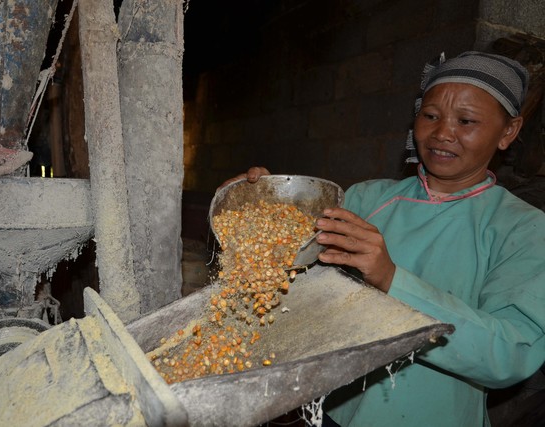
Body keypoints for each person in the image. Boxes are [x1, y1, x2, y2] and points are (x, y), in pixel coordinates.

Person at [222, 51, 545, 426]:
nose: (442, 133)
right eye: (431, 116)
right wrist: (256, 212)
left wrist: (392, 279)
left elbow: (511, 356)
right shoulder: (366, 199)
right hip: (334, 411)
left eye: (466, 121)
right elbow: (290, 277)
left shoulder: (523, 228)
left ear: (508, 132)